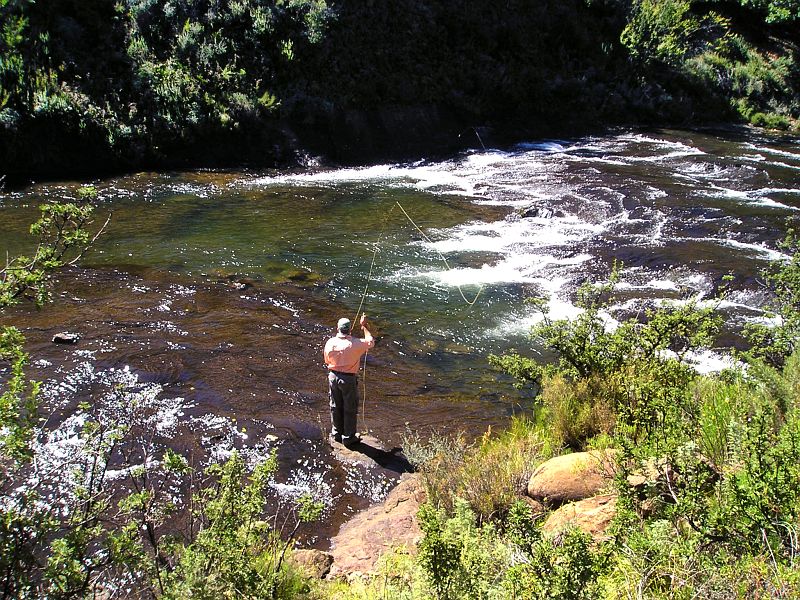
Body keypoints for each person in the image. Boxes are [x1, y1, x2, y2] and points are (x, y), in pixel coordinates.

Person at [323, 313, 374, 447]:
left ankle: (337, 433)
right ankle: (349, 437)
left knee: (335, 405)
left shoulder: (330, 342)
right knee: (350, 408)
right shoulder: (356, 343)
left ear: (337, 328)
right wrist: (364, 326)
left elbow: (326, 360)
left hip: (333, 377)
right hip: (348, 379)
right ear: (350, 329)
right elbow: (371, 342)